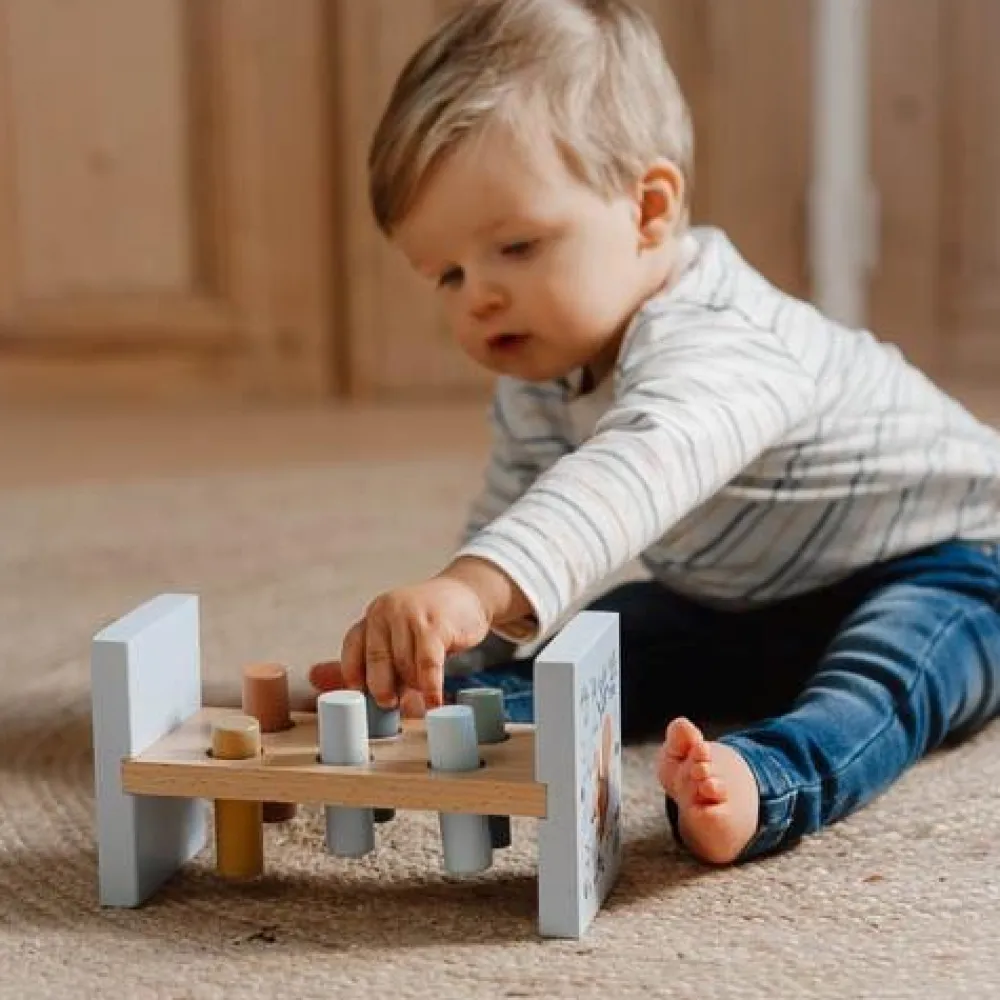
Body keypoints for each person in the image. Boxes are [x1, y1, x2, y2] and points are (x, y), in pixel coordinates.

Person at [310, 0, 1000, 865]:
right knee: (610, 633)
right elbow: (516, 517)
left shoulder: (722, 339)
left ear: (648, 209)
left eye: (517, 246)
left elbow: (633, 471)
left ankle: (766, 778)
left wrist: (472, 586)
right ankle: (454, 706)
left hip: (953, 564)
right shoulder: (543, 373)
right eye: (446, 273)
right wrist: (447, 640)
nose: (478, 295)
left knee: (891, 677)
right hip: (748, 599)